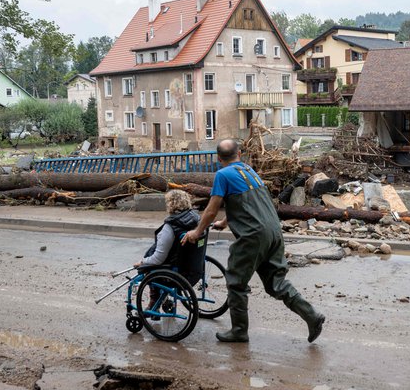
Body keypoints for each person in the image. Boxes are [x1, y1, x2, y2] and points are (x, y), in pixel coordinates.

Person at [182, 139, 325, 343]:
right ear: (239, 154)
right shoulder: (248, 171)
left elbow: (211, 209)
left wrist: (197, 231)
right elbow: (247, 203)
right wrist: (225, 221)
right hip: (274, 231)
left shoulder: (222, 175)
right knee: (276, 283)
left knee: (236, 281)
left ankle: (239, 330)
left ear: (218, 158)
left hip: (253, 235)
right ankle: (312, 316)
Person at [134, 190, 203, 319]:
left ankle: (154, 304)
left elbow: (158, 259)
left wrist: (142, 262)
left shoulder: (170, 226)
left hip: (176, 273)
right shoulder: (196, 218)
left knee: (146, 270)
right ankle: (162, 297)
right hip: (194, 269)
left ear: (171, 204)